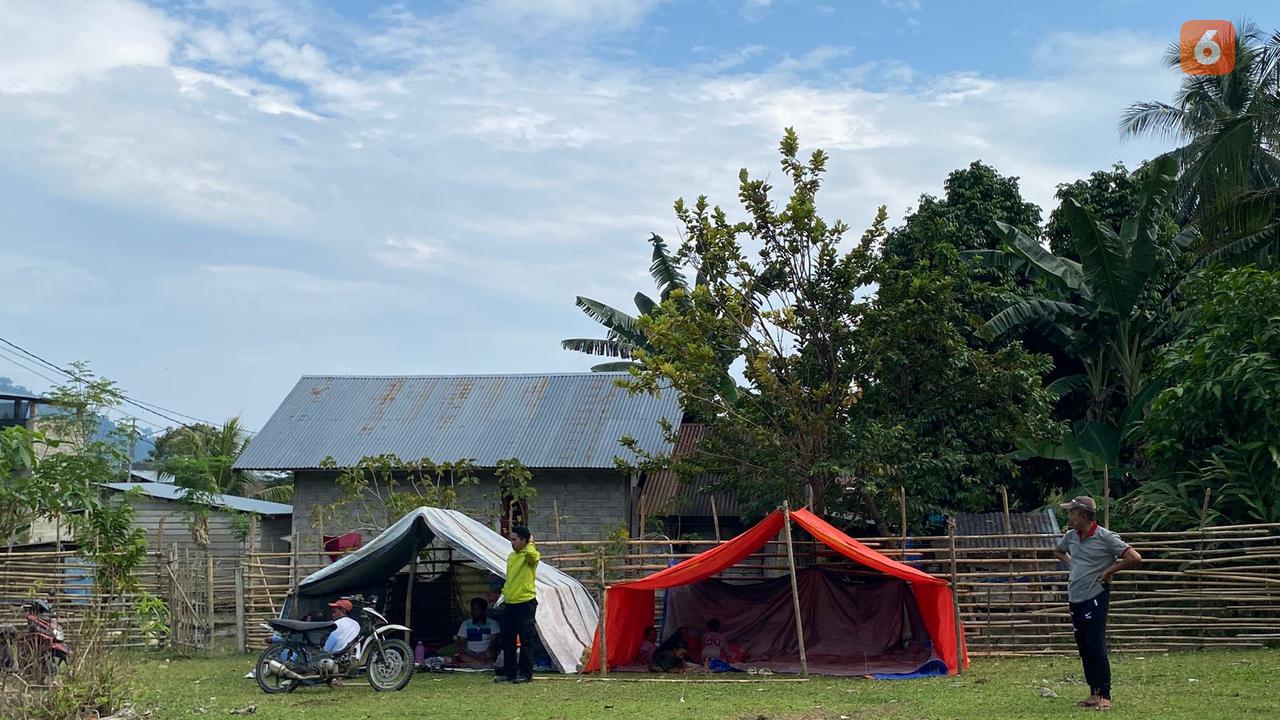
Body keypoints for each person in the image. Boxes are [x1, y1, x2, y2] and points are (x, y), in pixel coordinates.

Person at [1053, 496, 1142, 712]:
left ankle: (1105, 694)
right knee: (1084, 647)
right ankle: (1093, 693)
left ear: (1083, 515)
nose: (1069, 516)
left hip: (1095, 596)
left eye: (1072, 512)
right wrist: (1072, 564)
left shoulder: (1105, 537)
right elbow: (1058, 550)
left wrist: (1108, 571)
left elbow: (1134, 557)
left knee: (1095, 646)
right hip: (1076, 597)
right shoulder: (1071, 536)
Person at [495, 526, 542, 684]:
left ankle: (525, 674)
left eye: (515, 539)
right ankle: (510, 673)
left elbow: (531, 555)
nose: (512, 543)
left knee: (526, 640)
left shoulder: (531, 554)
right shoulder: (511, 556)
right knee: (507, 640)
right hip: (509, 603)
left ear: (524, 540)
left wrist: (530, 543)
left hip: (525, 603)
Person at [456, 598, 502, 666]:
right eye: (472, 609)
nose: (474, 612)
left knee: (491, 654)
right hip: (470, 653)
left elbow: (494, 640)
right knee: (460, 655)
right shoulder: (466, 623)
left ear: (483, 610)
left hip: (485, 652)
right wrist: (461, 648)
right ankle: (480, 663)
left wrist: (489, 649)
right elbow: (461, 640)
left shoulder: (493, 623)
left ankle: (475, 663)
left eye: (476, 609)